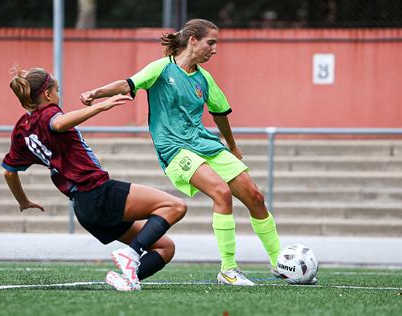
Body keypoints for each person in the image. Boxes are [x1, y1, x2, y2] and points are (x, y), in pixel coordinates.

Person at [80, 19, 282, 286]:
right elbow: (128, 84)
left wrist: (231, 146)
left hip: (206, 144)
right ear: (193, 40)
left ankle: (280, 263)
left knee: (255, 197)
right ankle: (228, 270)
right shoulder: (162, 68)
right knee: (221, 192)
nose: (215, 49)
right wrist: (96, 92)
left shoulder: (204, 78)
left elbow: (220, 112)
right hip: (174, 149)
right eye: (211, 43)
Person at [3, 67, 187, 291]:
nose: (59, 95)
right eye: (57, 90)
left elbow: (9, 172)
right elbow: (58, 123)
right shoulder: (49, 113)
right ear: (48, 95)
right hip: (97, 192)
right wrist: (103, 105)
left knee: (165, 248)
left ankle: (127, 278)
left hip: (84, 210)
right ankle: (131, 254)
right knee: (175, 206)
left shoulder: (21, 129)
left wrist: (23, 201)